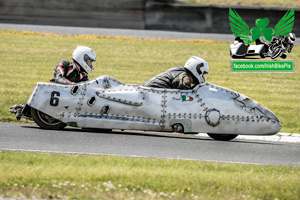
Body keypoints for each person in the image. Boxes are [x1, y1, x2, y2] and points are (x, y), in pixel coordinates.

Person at [143, 56, 209, 89]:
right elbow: (184, 98)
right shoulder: (185, 78)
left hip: (148, 92)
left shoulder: (178, 70)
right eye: (203, 74)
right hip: (151, 95)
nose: (203, 77)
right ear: (197, 70)